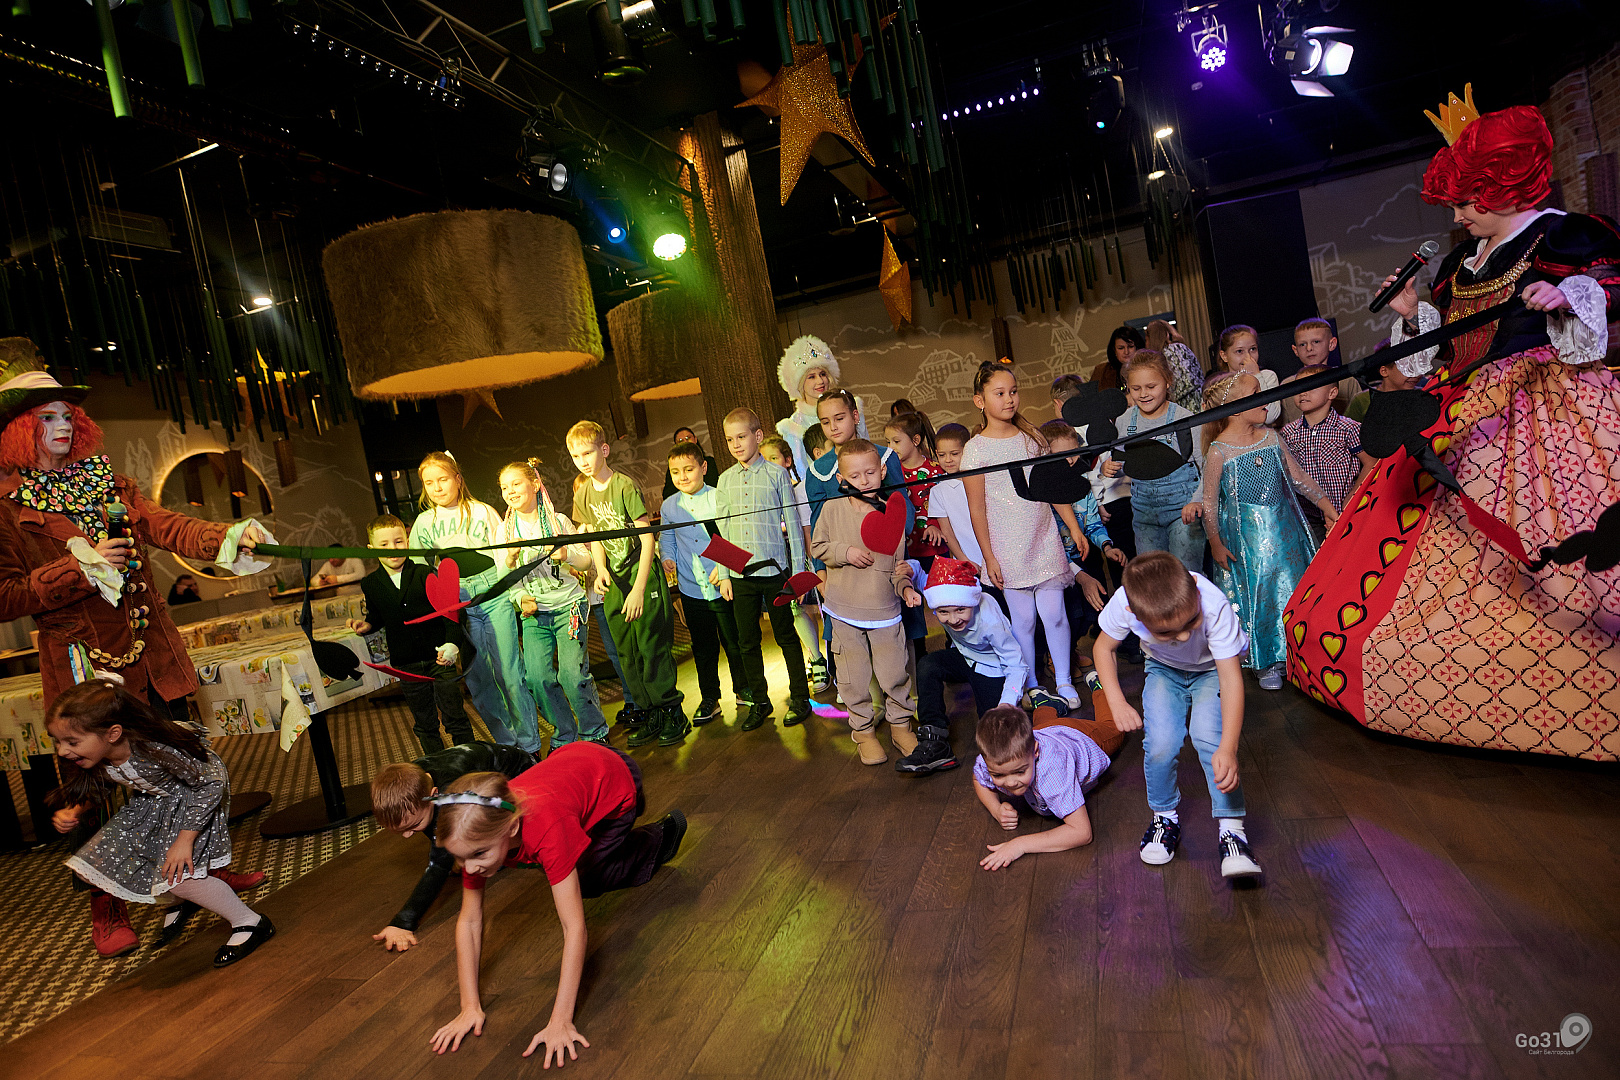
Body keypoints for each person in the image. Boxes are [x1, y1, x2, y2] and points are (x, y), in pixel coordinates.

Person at [1289, 95, 1620, 759]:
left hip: (1543, 409)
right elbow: (1437, 354)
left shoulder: (1565, 237)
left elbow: (1605, 303)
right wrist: (1413, 312)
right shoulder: (1458, 264)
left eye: (1468, 202)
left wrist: (1567, 299)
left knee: (1556, 548)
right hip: (1459, 411)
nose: (1459, 215)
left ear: (1506, 189)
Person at [0, 342, 267, 957]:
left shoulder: (108, 484)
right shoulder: (8, 512)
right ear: (18, 431)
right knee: (91, 786)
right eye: (46, 418)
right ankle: (107, 906)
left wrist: (224, 537)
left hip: (150, 654)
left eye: (68, 415)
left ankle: (204, 872)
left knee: (182, 765)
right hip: (83, 666)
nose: (62, 426)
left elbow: (164, 524)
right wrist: (78, 569)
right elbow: (5, 596)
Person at [427, 748, 687, 1065]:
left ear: (512, 827)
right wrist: (469, 1006)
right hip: (577, 763)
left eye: (479, 855)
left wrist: (560, 1021)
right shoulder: (479, 835)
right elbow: (469, 922)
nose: (468, 869)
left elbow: (574, 928)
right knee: (567, 864)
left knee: (589, 878)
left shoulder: (546, 827)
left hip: (616, 775)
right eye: (459, 857)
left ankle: (657, 838)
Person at [46, 680, 275, 966]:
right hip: (155, 802)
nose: (62, 751)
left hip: (196, 797)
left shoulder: (153, 748)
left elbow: (209, 783)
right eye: (58, 741)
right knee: (101, 864)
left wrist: (185, 840)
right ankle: (184, 900)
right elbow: (101, 786)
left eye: (72, 742)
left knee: (179, 877)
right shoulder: (101, 755)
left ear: (113, 733)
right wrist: (74, 810)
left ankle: (250, 921)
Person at [1092, 552, 1263, 879]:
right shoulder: (1124, 604)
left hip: (1211, 670)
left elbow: (1230, 679)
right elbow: (1103, 648)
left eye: (1191, 622)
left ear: (1195, 594)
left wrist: (1229, 748)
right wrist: (1116, 702)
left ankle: (1232, 830)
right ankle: (1164, 818)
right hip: (1163, 669)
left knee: (1209, 740)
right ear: (1135, 615)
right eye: (1167, 633)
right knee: (1160, 743)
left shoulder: (1213, 605)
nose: (1183, 636)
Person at [1201, 372, 1338, 691]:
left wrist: (1328, 507)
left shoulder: (1272, 438)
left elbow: (1298, 478)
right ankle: (1267, 660)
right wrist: (1215, 542)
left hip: (1284, 532)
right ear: (1235, 408)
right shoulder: (1219, 451)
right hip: (1248, 542)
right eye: (1256, 393)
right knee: (1261, 595)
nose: (1265, 399)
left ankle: (1298, 652)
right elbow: (1209, 503)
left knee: (1292, 587)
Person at [962, 362, 1086, 708]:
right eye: (999, 393)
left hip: (1042, 536)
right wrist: (989, 556)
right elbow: (977, 509)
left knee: (1055, 614)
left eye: (1013, 392)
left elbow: (1051, 488)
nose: (1009, 399)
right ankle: (1031, 683)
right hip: (1007, 545)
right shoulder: (976, 450)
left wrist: (1073, 526)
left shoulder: (1031, 439)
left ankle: (1064, 680)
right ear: (980, 400)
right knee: (1025, 620)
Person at [567, 421, 684, 746]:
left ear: (604, 450)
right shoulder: (584, 493)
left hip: (640, 576)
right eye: (575, 456)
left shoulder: (623, 486)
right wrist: (601, 569)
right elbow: (596, 536)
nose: (582, 461)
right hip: (615, 581)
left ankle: (671, 712)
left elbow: (647, 540)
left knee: (651, 647)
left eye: (587, 453)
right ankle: (650, 712)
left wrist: (638, 589)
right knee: (627, 652)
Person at [408, 451, 533, 750]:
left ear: (458, 479)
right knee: (479, 681)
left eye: (443, 479)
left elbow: (505, 556)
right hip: (457, 600)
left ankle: (529, 746)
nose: (437, 487)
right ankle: (506, 744)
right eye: (429, 483)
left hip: (492, 592)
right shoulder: (424, 522)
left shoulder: (482, 511)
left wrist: (513, 591)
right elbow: (418, 568)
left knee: (510, 673)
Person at [809, 439, 923, 765]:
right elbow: (818, 546)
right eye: (855, 476)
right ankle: (863, 732)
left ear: (882, 471)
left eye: (870, 473)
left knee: (894, 672)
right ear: (841, 479)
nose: (863, 481)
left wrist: (906, 588)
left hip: (885, 611)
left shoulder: (891, 513)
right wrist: (845, 552)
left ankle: (901, 726)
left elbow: (896, 567)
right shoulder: (832, 510)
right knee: (852, 676)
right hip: (844, 610)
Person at [367, 741, 535, 952]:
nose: (407, 835)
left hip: (523, 772)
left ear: (434, 794)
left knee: (499, 836)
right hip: (483, 770)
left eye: (413, 826)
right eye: (400, 830)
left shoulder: (450, 796)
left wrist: (403, 921)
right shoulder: (413, 783)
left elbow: (438, 864)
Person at [497, 458, 608, 748]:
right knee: (538, 679)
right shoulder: (504, 532)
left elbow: (585, 561)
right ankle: (565, 736)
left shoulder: (558, 522)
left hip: (569, 607)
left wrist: (566, 555)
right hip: (534, 616)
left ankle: (594, 732)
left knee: (572, 675)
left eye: (516, 484)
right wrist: (520, 596)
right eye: (505, 487)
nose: (510, 491)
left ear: (535, 484)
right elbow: (504, 578)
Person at [716, 407, 812, 731]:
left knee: (786, 636)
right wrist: (725, 574)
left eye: (741, 437)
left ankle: (800, 698)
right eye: (730, 439)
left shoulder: (776, 474)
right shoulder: (725, 480)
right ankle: (760, 701)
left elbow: (794, 526)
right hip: (741, 576)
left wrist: (797, 574)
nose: (736, 444)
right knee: (747, 641)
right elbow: (723, 530)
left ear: (757, 436)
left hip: (775, 573)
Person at [349, 515, 474, 754]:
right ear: (371, 549)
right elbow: (377, 615)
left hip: (439, 658)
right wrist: (367, 625)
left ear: (407, 541)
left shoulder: (425, 573)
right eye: (384, 544)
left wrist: (452, 643)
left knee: (455, 716)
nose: (393, 549)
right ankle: (438, 767)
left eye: (398, 541)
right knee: (425, 724)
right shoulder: (370, 583)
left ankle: (471, 763)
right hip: (406, 664)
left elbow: (451, 611)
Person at [899, 557, 1026, 775]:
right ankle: (935, 743)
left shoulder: (990, 622)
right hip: (963, 657)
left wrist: (1007, 702)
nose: (953, 619)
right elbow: (920, 575)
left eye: (960, 609)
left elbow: (1016, 665)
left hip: (993, 667)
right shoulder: (940, 592)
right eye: (943, 612)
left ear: (972, 602)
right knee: (928, 665)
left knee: (995, 729)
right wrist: (910, 567)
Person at [661, 441, 750, 728]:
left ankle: (743, 688)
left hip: (722, 583)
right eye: (675, 472)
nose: (682, 476)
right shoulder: (669, 506)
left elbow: (730, 536)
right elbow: (668, 537)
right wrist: (667, 557)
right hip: (691, 587)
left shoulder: (717, 497)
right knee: (702, 647)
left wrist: (724, 571)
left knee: (732, 640)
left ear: (703, 468)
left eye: (688, 469)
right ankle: (710, 697)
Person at [972, 703, 1117, 871]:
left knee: (1116, 726)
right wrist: (995, 809)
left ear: (1035, 752)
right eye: (998, 775)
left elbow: (1082, 832)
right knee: (1045, 723)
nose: (1010, 783)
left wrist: (1020, 845)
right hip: (1045, 730)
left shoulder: (1052, 772)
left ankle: (1100, 690)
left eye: (1020, 771)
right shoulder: (995, 756)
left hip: (1083, 735)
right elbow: (978, 778)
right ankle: (1044, 703)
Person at [1100, 350, 1207, 573]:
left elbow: (1206, 466)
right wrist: (1109, 468)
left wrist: (1197, 501)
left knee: (1185, 574)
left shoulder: (1184, 419)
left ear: (1167, 382)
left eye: (1151, 387)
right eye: (1136, 388)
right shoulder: (1124, 421)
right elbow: (1125, 464)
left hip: (1183, 512)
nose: (1143, 394)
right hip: (1144, 515)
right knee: (1153, 577)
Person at [1039, 420, 1125, 648]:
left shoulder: (1083, 484)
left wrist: (1107, 547)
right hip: (1057, 566)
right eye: (1061, 455)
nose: (1070, 460)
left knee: (1093, 612)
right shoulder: (1043, 493)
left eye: (1073, 453)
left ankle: (1072, 651)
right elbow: (1050, 544)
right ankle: (1062, 655)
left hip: (1085, 558)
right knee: (1070, 615)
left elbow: (1093, 524)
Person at [759, 435, 829, 694]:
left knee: (823, 607)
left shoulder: (801, 490)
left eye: (774, 458)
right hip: (781, 558)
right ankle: (816, 659)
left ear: (787, 460)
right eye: (764, 460)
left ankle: (837, 659)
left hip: (808, 554)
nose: (769, 465)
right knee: (795, 609)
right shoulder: (764, 498)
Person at [1282, 366, 1375, 544]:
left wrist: (1353, 497)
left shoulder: (1348, 428)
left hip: (1342, 510)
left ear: (1332, 393)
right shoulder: (1289, 432)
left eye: (1311, 387)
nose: (1303, 393)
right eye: (1298, 387)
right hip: (1307, 515)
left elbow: (1370, 462)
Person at [573, 473, 637, 719]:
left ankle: (641, 699)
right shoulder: (578, 530)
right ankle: (631, 699)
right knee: (614, 653)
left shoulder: (611, 520)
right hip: (596, 599)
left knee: (631, 648)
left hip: (618, 592)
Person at [775, 335, 868, 481]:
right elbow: (800, 471)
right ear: (800, 384)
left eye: (823, 374)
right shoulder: (793, 426)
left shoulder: (850, 409)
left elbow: (866, 446)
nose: (820, 381)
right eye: (811, 377)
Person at [883, 412, 946, 567]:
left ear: (915, 440)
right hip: (906, 552)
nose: (890, 447)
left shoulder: (936, 470)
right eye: (888, 442)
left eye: (896, 441)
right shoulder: (890, 474)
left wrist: (934, 524)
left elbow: (947, 506)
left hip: (935, 548)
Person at [1214, 325, 1281, 425]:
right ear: (1224, 356)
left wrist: (1256, 375)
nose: (1248, 357)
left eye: (1253, 349)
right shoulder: (1218, 385)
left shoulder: (1268, 376)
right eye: (1239, 351)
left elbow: (1270, 417)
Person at [1344, 348, 1427, 422]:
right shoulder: (1362, 400)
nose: (1417, 374)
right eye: (1409, 369)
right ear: (1384, 371)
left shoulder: (1424, 396)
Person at [1145, 319, 1205, 412]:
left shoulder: (1159, 359)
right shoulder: (1182, 347)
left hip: (1180, 407)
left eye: (1146, 339)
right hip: (1199, 399)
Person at [661, 427, 717, 502]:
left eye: (688, 438)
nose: (683, 477)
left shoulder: (710, 462)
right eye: (680, 440)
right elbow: (667, 493)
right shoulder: (669, 505)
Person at [1097, 325, 1143, 390]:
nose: (1126, 352)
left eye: (1130, 347)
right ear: (1114, 350)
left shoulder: (1149, 368)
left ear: (1138, 348)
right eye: (1121, 348)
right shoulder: (1101, 371)